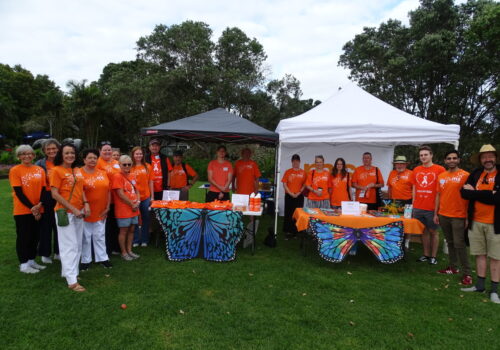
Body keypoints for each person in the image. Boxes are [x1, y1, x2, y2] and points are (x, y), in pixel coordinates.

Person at [460, 144, 500, 304]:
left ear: (495, 158)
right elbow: (463, 193)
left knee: (496, 258)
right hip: (476, 222)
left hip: (495, 224)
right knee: (480, 254)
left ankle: (495, 291)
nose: (487, 159)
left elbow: (497, 199)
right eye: (484, 157)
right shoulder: (476, 173)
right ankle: (480, 285)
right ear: (481, 160)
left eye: (490, 156)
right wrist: (488, 194)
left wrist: (474, 193)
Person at [50, 143, 89, 292]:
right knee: (69, 246)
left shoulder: (76, 170)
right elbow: (54, 194)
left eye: (72, 153)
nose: (70, 156)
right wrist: (72, 209)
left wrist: (86, 204)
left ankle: (70, 272)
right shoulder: (56, 171)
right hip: (64, 212)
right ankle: (72, 281)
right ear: (61, 155)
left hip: (79, 211)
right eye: (66, 153)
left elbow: (81, 189)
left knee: (78, 244)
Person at [433, 150, 471, 285]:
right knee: (450, 242)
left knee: (459, 244)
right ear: (445, 161)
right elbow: (438, 195)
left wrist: (467, 216)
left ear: (459, 160)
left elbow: (470, 196)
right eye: (449, 158)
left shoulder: (465, 175)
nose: (451, 160)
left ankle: (467, 273)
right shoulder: (441, 176)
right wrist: (435, 213)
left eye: (454, 158)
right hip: (443, 214)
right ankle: (453, 267)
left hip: (458, 215)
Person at [9, 145, 47, 274]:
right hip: (23, 210)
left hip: (38, 208)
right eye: (23, 154)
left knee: (35, 236)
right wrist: (33, 208)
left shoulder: (39, 170)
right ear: (19, 156)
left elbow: (43, 189)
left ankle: (31, 260)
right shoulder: (15, 170)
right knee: (24, 237)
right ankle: (24, 264)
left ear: (34, 155)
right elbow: (19, 193)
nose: (27, 156)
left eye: (30, 153)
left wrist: (39, 205)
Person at [412, 145, 445, 265]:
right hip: (418, 207)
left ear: (431, 155)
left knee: (433, 232)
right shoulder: (416, 170)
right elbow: (414, 187)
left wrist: (438, 209)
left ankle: (433, 256)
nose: (423, 157)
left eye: (425, 154)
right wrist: (413, 203)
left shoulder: (440, 169)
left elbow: (442, 190)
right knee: (423, 231)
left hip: (432, 208)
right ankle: (425, 254)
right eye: (421, 155)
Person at [80, 149, 112, 271]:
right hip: (86, 210)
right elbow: (78, 191)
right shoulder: (79, 173)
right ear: (84, 160)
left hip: (101, 210)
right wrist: (84, 205)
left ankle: (103, 258)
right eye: (90, 158)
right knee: (86, 236)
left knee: (100, 235)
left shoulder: (103, 173)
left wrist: (108, 207)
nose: (92, 160)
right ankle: (85, 260)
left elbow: (108, 191)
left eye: (94, 158)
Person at [35, 139, 60, 263]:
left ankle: (58, 251)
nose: (51, 151)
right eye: (48, 149)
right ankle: (45, 253)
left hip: (61, 196)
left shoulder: (62, 162)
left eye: (54, 148)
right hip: (45, 197)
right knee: (45, 226)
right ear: (44, 151)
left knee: (59, 225)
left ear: (58, 149)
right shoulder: (39, 164)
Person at [112, 155, 141, 261]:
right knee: (124, 230)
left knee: (132, 229)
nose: (127, 166)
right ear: (119, 165)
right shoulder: (117, 176)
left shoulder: (133, 175)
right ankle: (123, 252)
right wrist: (132, 204)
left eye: (129, 164)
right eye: (124, 164)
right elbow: (120, 194)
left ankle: (129, 250)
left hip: (134, 208)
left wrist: (137, 202)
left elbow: (137, 190)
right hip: (123, 209)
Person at [96, 141, 121, 255]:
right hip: (105, 198)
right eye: (104, 150)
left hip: (118, 197)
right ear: (100, 151)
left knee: (115, 223)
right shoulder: (97, 163)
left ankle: (116, 246)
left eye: (109, 150)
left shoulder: (116, 162)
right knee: (106, 224)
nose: (107, 152)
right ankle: (107, 249)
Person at [130, 146, 154, 247]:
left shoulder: (148, 166)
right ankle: (135, 240)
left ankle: (144, 239)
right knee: (135, 219)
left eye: (140, 154)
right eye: (136, 154)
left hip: (145, 197)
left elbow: (151, 182)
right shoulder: (129, 166)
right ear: (133, 155)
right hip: (134, 198)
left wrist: (152, 197)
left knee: (146, 218)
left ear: (143, 155)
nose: (139, 155)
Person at [281, 154, 306, 239]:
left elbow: (304, 185)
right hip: (289, 196)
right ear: (291, 162)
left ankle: (296, 232)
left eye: (297, 161)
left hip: (299, 196)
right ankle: (288, 232)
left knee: (297, 214)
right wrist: (290, 193)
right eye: (294, 161)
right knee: (288, 213)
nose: (295, 163)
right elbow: (284, 184)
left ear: (299, 162)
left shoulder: (303, 172)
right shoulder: (288, 172)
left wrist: (299, 192)